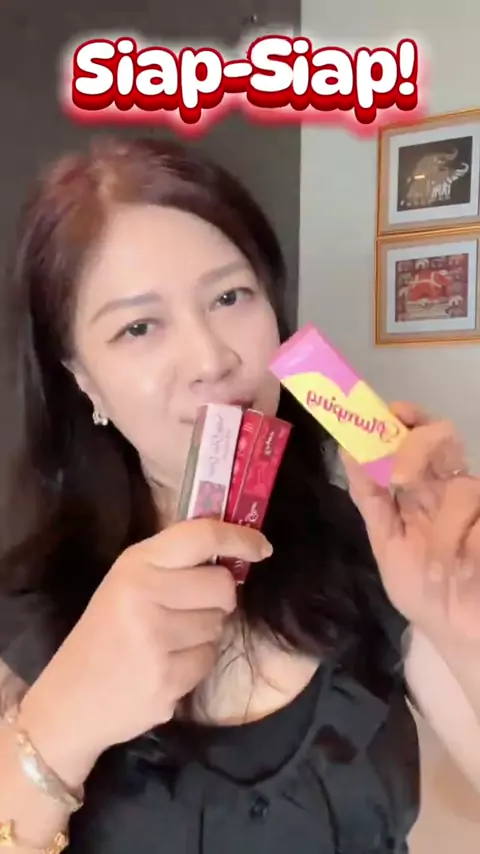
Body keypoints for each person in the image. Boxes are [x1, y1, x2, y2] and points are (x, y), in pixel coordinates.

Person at [0, 136, 479, 854]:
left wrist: (461, 614)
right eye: (138, 327)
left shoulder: (371, 547)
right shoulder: (21, 611)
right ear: (82, 379)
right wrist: (62, 721)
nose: (213, 358)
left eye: (230, 296)